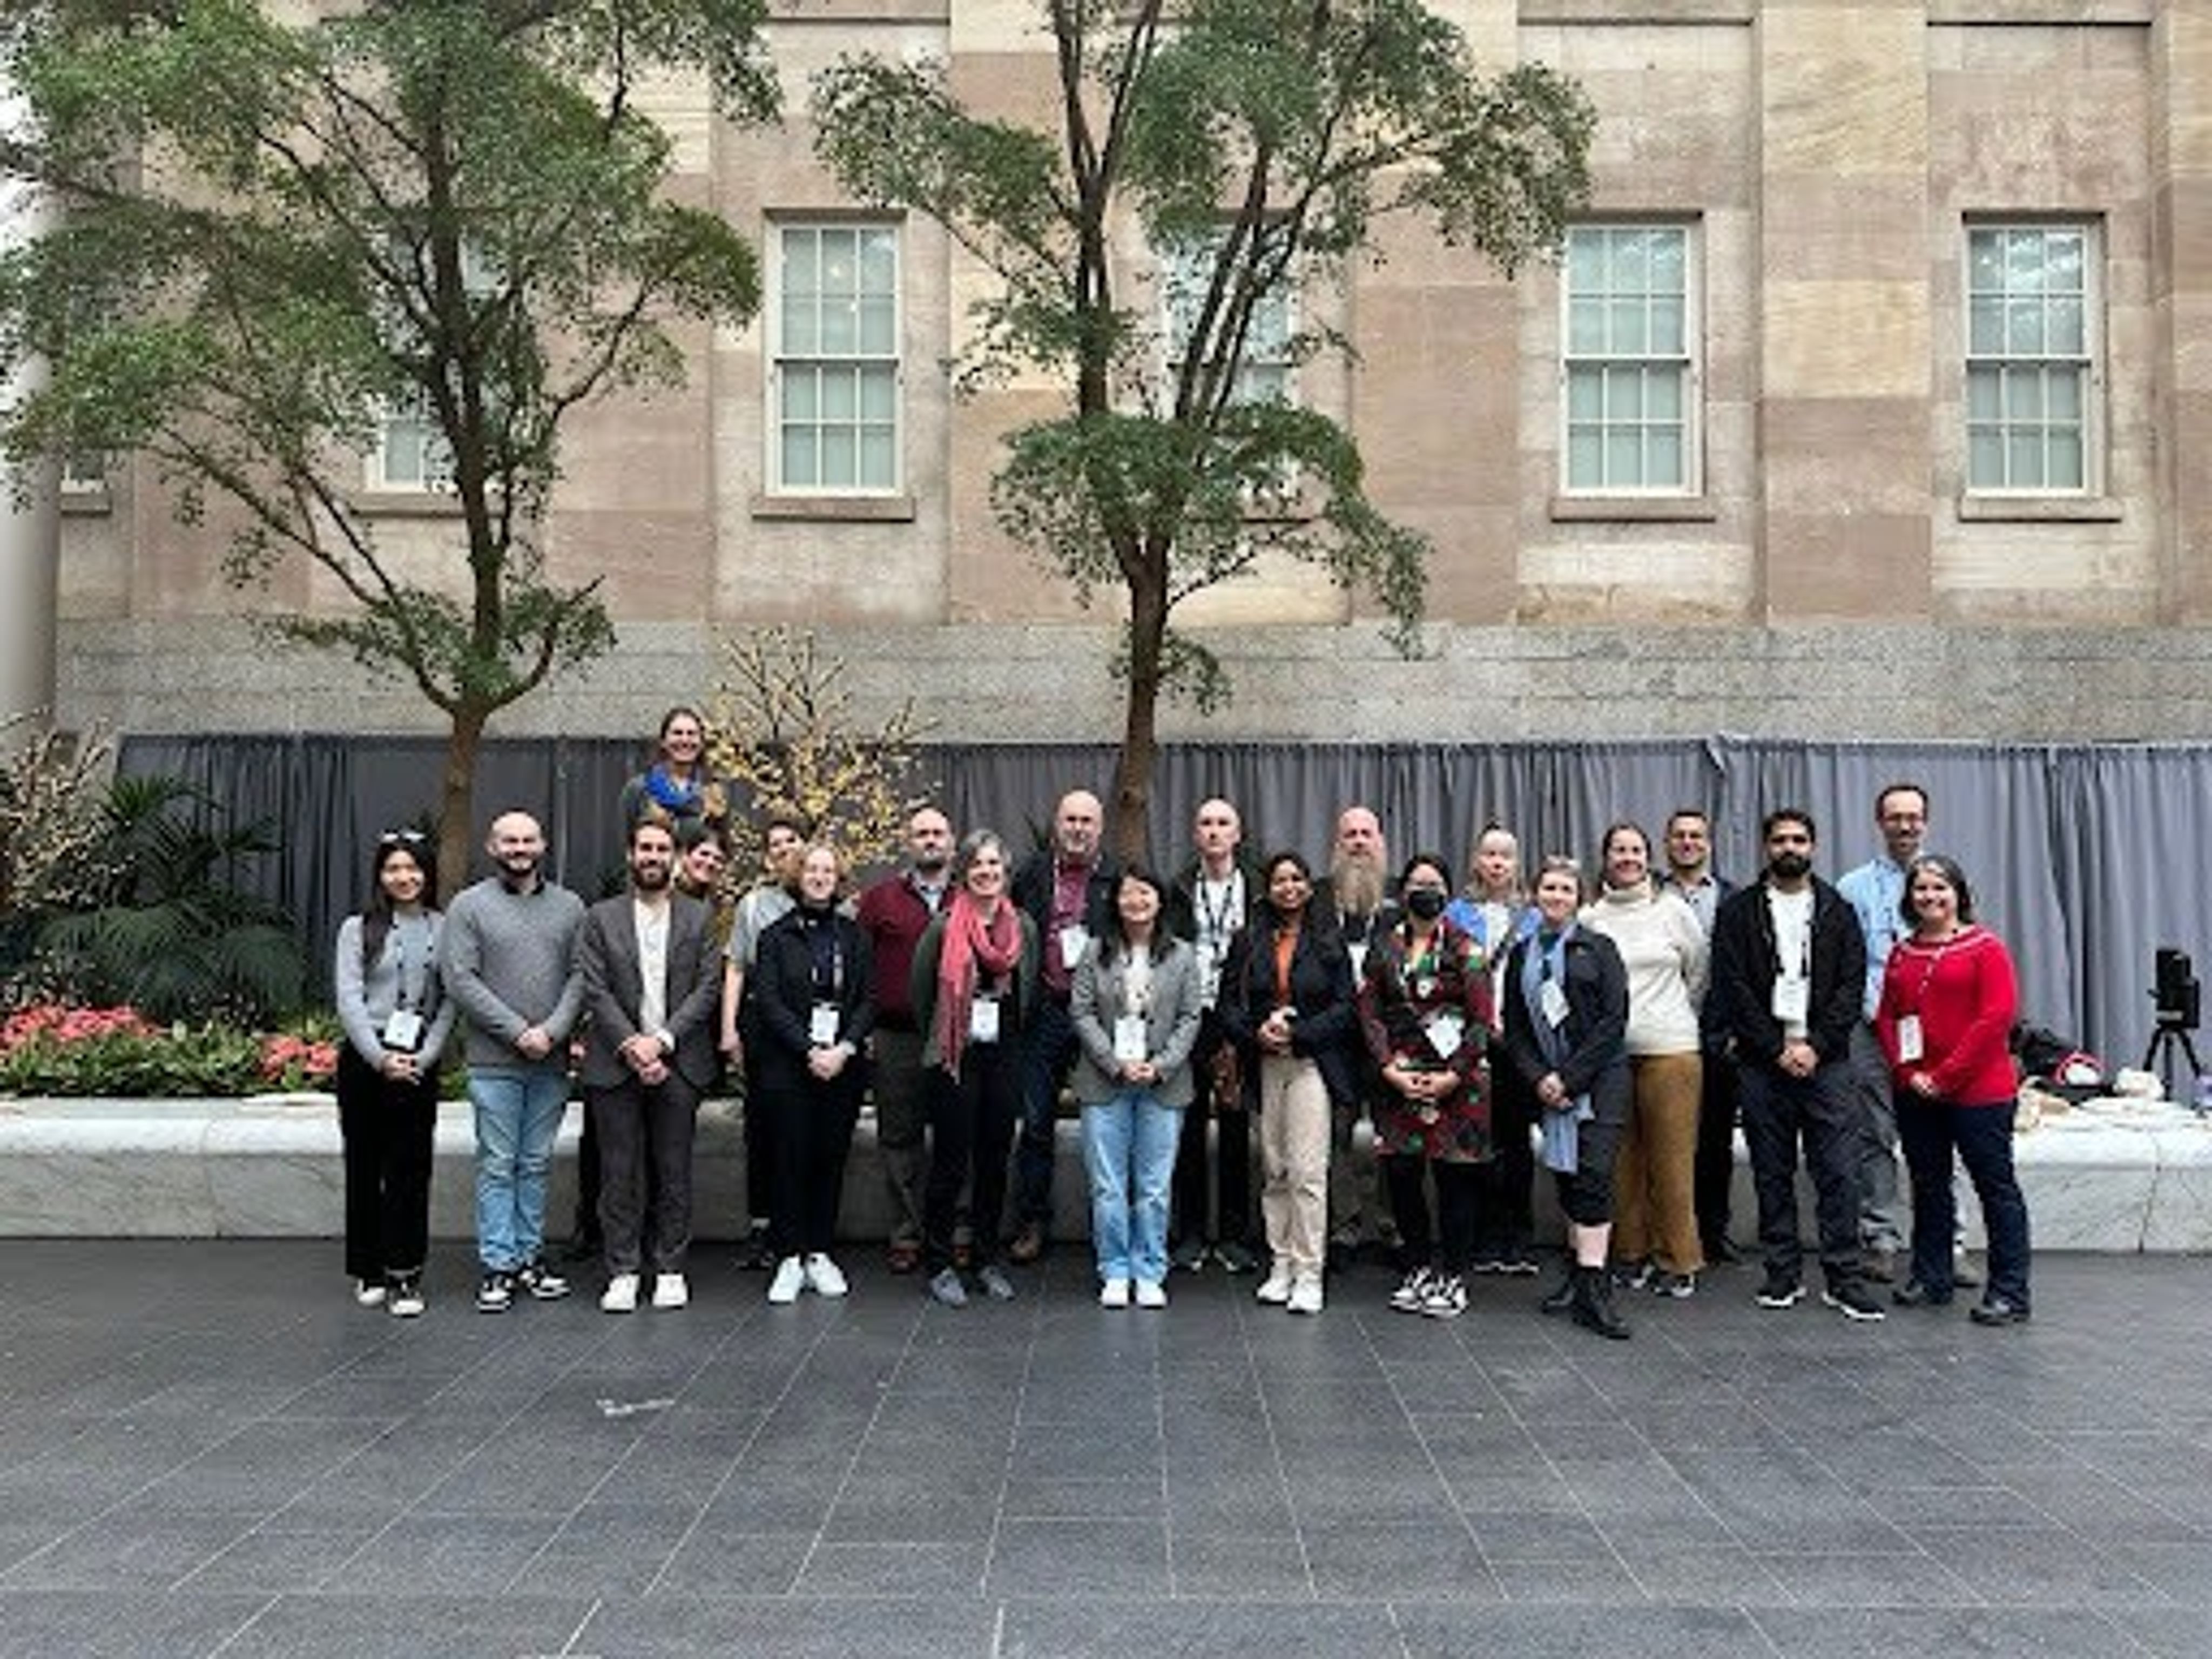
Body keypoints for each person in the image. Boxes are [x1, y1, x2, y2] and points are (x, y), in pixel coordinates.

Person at [1709, 809, 1884, 1321]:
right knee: (1771, 1173)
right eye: (1781, 839)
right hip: (1764, 1064)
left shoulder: (1838, 908)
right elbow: (1733, 986)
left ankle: (1843, 1278)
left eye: (1800, 839)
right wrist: (1775, 1047)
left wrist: (1816, 1046)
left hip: (1826, 1063)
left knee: (1839, 1173)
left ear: (1814, 845)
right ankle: (1782, 1273)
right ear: (1766, 847)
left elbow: (1851, 985)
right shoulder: (1739, 912)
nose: (1791, 847)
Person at [1874, 855, 2031, 1325]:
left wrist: (1944, 1077)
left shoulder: (1987, 949)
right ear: (1909, 898)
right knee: (1928, 1185)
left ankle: (2010, 1292)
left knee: (1995, 1187)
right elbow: (1889, 1016)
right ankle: (1932, 1277)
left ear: (1959, 894)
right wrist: (1908, 1073)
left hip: (1979, 1092)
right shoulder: (1903, 952)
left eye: (1940, 888)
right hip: (1918, 1091)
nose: (1930, 897)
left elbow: (1994, 1019)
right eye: (1921, 889)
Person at [442, 810, 585, 1314]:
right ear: (491, 846)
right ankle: (497, 1266)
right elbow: (461, 979)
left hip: (550, 1059)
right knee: (499, 1165)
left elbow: (580, 976)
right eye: (510, 841)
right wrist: (517, 1031)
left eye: (528, 840)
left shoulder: (570, 907)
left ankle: (529, 1259)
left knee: (536, 1164)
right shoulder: (469, 907)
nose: (519, 848)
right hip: (493, 1061)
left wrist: (551, 1031)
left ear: (543, 845)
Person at [576, 818, 721, 1313]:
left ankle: (670, 1268)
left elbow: (707, 988)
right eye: (645, 848)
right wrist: (632, 1047)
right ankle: (622, 1269)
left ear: (676, 857)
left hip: (679, 1062)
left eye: (662, 849)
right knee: (619, 1173)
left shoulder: (699, 917)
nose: (653, 856)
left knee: (673, 1170)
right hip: (615, 1064)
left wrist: (660, 1041)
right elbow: (594, 988)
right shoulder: (600, 917)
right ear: (630, 855)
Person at [1219, 850, 1359, 1316]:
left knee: (1307, 1171)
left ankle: (1308, 1272)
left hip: (1311, 1063)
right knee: (1275, 1168)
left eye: (1298, 879)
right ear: (1268, 888)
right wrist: (1256, 1033)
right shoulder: (1249, 939)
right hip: (1265, 1063)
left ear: (1308, 885)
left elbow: (1345, 1008)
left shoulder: (1329, 939)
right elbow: (1228, 1007)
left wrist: (1298, 1034)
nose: (1290, 888)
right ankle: (1280, 1264)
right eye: (1280, 880)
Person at [1500, 857, 1633, 1340]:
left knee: (1594, 1174)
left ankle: (1596, 1290)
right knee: (1567, 1177)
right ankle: (1577, 1276)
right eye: (1548, 887)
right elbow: (1515, 1029)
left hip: (1599, 1080)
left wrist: (1569, 1079)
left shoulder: (1599, 948)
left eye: (1565, 889)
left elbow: (1614, 1021)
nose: (1556, 896)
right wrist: (1540, 1078)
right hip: (1548, 1084)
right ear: (1535, 894)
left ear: (1580, 898)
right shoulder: (1521, 955)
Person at [1358, 853, 1494, 1320]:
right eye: (1418, 883)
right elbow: (1369, 1012)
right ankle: (1417, 1268)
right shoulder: (1385, 947)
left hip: (1457, 1082)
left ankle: (1453, 1275)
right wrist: (1388, 1068)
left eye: (1435, 883)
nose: (1426, 890)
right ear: (1403, 892)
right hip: (1399, 1079)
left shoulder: (1467, 948)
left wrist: (1452, 1075)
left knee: (1455, 1179)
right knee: (1404, 1179)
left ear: (1448, 893)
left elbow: (1482, 1023)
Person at [913, 830, 1041, 1307]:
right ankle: (940, 1262)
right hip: (955, 1061)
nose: (987, 873)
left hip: (1004, 1059)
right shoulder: (943, 928)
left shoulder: (1021, 927)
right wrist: (946, 1041)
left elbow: (1027, 997)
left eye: (995, 865)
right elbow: (922, 997)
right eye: (978, 866)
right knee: (949, 1164)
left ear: (1005, 875)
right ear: (964, 873)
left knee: (993, 1163)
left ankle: (986, 1258)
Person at [332, 829, 456, 1319]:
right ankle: (369, 1267)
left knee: (410, 1169)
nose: (403, 878)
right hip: (368, 1060)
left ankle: (407, 1273)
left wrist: (424, 1058)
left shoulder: (445, 927)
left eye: (412, 868)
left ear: (427, 873)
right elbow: (349, 996)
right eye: (393, 869)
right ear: (380, 876)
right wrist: (378, 1057)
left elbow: (450, 999)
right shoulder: (357, 928)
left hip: (419, 1056)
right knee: (365, 1166)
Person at [1581, 821, 1708, 1298]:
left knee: (1672, 1162)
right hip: (1611, 1057)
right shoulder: (1592, 918)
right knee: (1622, 1164)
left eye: (1636, 849)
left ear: (1648, 856)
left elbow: (1698, 972)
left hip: (1671, 1052)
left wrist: (1668, 1016)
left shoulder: (1673, 911)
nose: (1628, 857)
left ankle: (1679, 1260)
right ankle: (1631, 1255)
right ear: (1606, 857)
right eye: (1619, 850)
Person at [1072, 868, 1204, 1309]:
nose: (1137, 902)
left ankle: (1150, 1268)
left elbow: (1191, 1018)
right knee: (1108, 1185)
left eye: (1145, 893)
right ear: (1115, 902)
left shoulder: (1183, 955)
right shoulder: (1095, 951)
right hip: (1104, 1082)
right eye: (1128, 894)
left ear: (1161, 901)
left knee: (1153, 1186)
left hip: (1162, 1085)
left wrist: (1161, 1065)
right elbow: (1082, 1013)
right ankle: (1114, 1268)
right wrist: (1113, 1062)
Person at [752, 843, 875, 1304]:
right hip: (790, 1067)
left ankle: (820, 1251)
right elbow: (769, 1002)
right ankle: (788, 1257)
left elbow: (867, 1001)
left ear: (838, 879)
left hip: (841, 1068)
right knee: (788, 1159)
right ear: (797, 876)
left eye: (829, 870)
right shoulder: (774, 937)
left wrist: (843, 1049)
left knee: (829, 1158)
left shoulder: (855, 937)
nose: (821, 877)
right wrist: (809, 1050)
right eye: (812, 869)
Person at [1008, 788, 1120, 1264]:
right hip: (1045, 1013)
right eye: (1070, 819)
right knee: (1035, 1123)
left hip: (1099, 1016)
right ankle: (1032, 1221)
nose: (1078, 829)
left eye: (1087, 821)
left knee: (1109, 1122)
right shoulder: (1030, 875)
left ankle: (1111, 1229)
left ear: (1100, 828)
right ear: (1057, 825)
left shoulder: (1117, 878)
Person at [856, 805, 956, 1274]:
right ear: (908, 842)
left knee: (958, 1134)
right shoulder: (879, 901)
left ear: (952, 842)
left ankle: (955, 1230)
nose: (930, 840)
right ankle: (907, 1234)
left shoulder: (971, 896)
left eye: (938, 833)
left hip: (958, 1037)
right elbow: (860, 970)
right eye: (922, 833)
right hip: (896, 1037)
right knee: (899, 1137)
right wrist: (865, 1031)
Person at [1164, 797, 1262, 1274]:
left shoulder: (1259, 888)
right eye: (1206, 823)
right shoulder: (1179, 888)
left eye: (1224, 823)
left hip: (1239, 1018)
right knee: (1189, 1126)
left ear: (1238, 834)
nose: (1215, 832)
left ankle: (1236, 1234)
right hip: (1191, 1015)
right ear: (1195, 834)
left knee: (1237, 1125)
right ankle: (1190, 1233)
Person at [1835, 783, 1927, 1280]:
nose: (1905, 826)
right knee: (1873, 1133)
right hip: (1869, 1031)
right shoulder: (1852, 888)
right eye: (1895, 817)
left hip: (1933, 1033)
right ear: (1880, 823)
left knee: (1937, 1134)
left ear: (1926, 823)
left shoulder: (1944, 880)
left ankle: (1943, 1238)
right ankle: (1882, 1236)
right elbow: (1846, 965)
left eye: (1913, 817)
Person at [1447, 822, 1539, 1274]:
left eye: (1506, 855)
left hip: (1518, 1045)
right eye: (1490, 855)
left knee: (1516, 1141)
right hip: (1473, 1042)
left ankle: (1517, 1236)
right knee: (1476, 1142)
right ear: (1477, 861)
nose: (1498, 863)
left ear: (1517, 864)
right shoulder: (1455, 915)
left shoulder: (1537, 916)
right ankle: (1482, 1235)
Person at [1313, 805, 1400, 1270]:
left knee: (1392, 1136)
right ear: (1337, 843)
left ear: (1381, 842)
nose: (1360, 843)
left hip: (1388, 1044)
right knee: (1336, 1138)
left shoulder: (1397, 904)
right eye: (1351, 835)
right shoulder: (1318, 902)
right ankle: (1344, 1230)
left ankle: (1391, 1227)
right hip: (1336, 1043)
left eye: (1368, 834)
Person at [720, 814, 806, 1271]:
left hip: (815, 1032)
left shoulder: (827, 896)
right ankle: (762, 1227)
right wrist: (729, 1028)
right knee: (764, 1128)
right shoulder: (753, 906)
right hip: (763, 1029)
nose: (783, 850)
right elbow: (736, 967)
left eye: (791, 840)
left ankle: (803, 1229)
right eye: (774, 844)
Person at [1656, 807, 1741, 1264]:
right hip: (1662, 1034)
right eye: (1679, 835)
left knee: (1714, 1140)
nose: (1688, 843)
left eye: (1696, 835)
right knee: (1665, 1139)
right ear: (1667, 844)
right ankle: (1667, 1230)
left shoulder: (1734, 897)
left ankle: (1713, 1230)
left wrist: (1730, 1033)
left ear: (1708, 844)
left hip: (1716, 1037)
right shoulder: (1649, 895)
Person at [617, 705, 725, 834]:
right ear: (663, 741)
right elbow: (626, 845)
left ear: (701, 743)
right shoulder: (638, 790)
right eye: (677, 733)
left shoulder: (714, 794)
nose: (685, 740)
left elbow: (721, 846)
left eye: (692, 734)